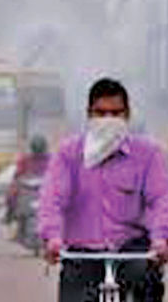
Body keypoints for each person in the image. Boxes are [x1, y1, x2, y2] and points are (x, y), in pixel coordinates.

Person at [38, 78, 168, 301]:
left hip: (132, 250)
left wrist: (161, 239)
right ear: (89, 115)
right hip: (83, 253)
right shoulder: (69, 154)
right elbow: (53, 198)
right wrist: (53, 237)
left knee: (147, 283)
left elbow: (161, 199)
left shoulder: (148, 153)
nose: (108, 120)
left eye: (116, 113)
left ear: (127, 115)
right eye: (101, 113)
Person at [2, 134, 51, 225]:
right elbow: (18, 174)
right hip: (28, 188)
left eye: (40, 148)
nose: (38, 151)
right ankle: (9, 213)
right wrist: (17, 181)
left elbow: (58, 173)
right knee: (12, 192)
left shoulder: (51, 159)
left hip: (46, 188)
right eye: (37, 148)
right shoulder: (25, 159)